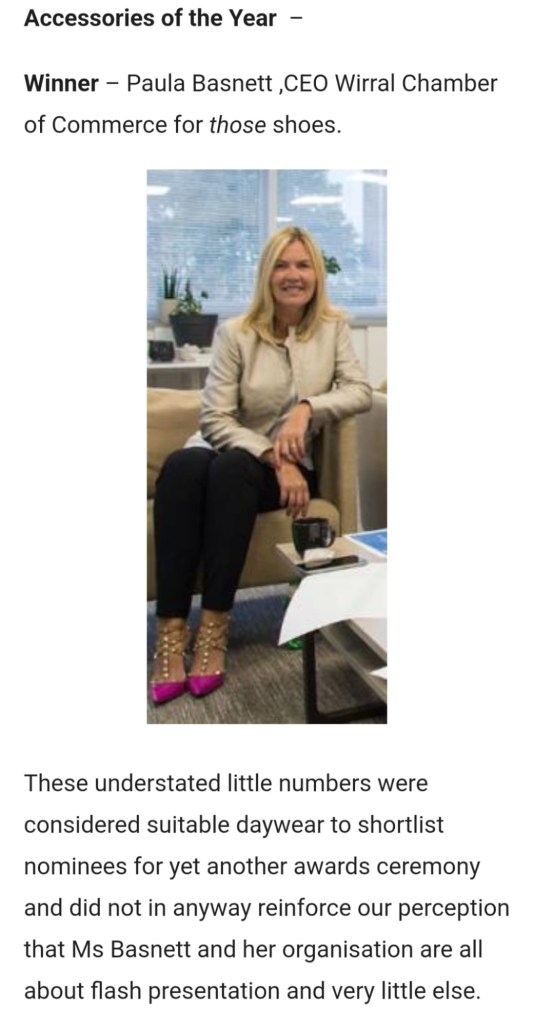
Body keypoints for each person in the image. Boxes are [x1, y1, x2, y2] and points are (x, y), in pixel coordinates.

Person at [149, 226, 372, 704]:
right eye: (282, 265)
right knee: (184, 467)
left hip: (270, 470)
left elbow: (359, 391)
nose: (293, 275)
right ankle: (170, 632)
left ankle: (213, 627)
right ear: (266, 274)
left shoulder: (333, 328)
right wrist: (272, 456)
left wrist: (307, 407)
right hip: (228, 451)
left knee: (230, 473)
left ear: (317, 274)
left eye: (303, 265)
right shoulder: (236, 333)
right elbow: (214, 419)